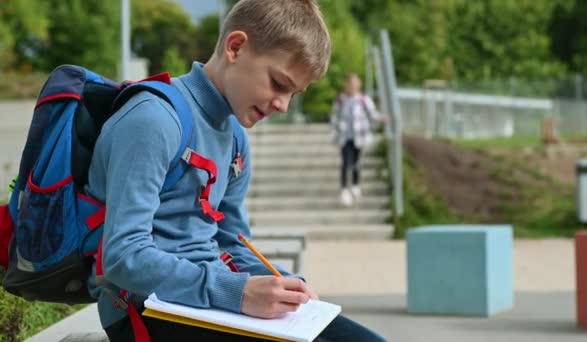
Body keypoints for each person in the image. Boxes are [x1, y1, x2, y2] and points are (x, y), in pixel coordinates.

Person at [86, 0, 386, 341]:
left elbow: (232, 243)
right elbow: (124, 256)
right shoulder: (153, 119)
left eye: (293, 94)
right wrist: (238, 293)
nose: (283, 105)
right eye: (278, 83)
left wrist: (285, 286)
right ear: (236, 47)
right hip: (143, 310)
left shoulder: (235, 140)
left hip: (212, 304)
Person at [330, 73, 384, 207]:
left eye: (354, 84)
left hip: (359, 137)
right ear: (346, 85)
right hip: (345, 137)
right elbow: (334, 116)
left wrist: (382, 118)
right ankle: (344, 190)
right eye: (350, 84)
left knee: (356, 162)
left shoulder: (363, 99)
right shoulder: (341, 100)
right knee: (345, 163)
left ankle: (355, 184)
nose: (352, 87)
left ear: (358, 85)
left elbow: (373, 114)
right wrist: (336, 128)